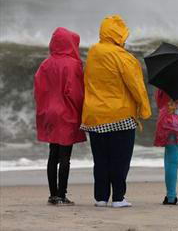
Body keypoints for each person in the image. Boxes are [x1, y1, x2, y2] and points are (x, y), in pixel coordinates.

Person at [80, 15, 151, 208]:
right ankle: (118, 198)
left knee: (101, 160)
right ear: (118, 36)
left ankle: (101, 198)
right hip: (120, 115)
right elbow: (136, 86)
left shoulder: (93, 52)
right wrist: (144, 109)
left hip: (94, 115)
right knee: (120, 160)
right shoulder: (123, 57)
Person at [34, 27, 87, 206]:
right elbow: (75, 93)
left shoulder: (45, 64)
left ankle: (52, 195)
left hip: (49, 112)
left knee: (52, 154)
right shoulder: (73, 65)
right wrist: (82, 111)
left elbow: (38, 90)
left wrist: (44, 108)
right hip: (66, 113)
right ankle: (62, 195)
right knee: (65, 156)